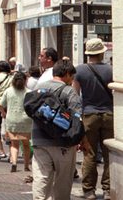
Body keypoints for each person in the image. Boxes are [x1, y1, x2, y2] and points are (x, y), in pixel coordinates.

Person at [32, 59, 89, 200]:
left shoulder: (38, 88)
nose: (72, 80)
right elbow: (77, 119)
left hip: (39, 140)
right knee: (63, 180)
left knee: (41, 176)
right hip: (63, 143)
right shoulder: (69, 91)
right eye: (72, 77)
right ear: (67, 74)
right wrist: (83, 140)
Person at [73, 38, 113, 200]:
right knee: (108, 153)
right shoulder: (111, 70)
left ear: (88, 53)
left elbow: (75, 95)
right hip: (109, 115)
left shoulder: (80, 70)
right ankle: (108, 189)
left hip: (89, 114)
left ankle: (89, 190)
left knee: (89, 153)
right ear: (102, 53)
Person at [0, 71, 32, 172]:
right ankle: (26, 166)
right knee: (26, 145)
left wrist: (3, 113)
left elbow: (0, 105)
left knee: (14, 144)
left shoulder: (9, 91)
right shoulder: (29, 92)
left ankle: (14, 162)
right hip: (25, 120)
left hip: (12, 119)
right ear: (25, 80)